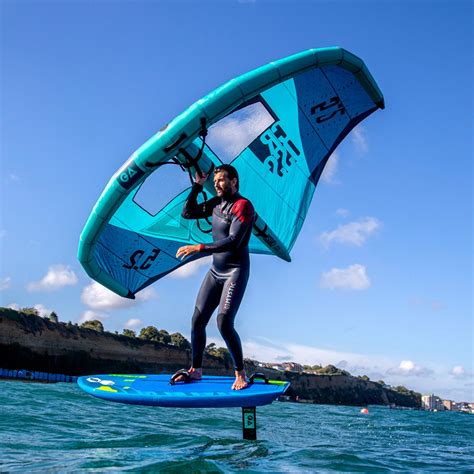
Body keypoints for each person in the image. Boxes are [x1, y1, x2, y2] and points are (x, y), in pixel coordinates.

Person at [175, 164, 255, 390]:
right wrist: (197, 186)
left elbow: (233, 241)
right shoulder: (216, 204)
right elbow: (188, 213)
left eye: (222, 180)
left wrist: (199, 247)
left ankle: (240, 373)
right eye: (216, 180)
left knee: (223, 322)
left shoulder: (243, 206)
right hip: (215, 271)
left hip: (235, 271)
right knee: (197, 320)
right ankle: (196, 370)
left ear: (234, 181)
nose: (218, 184)